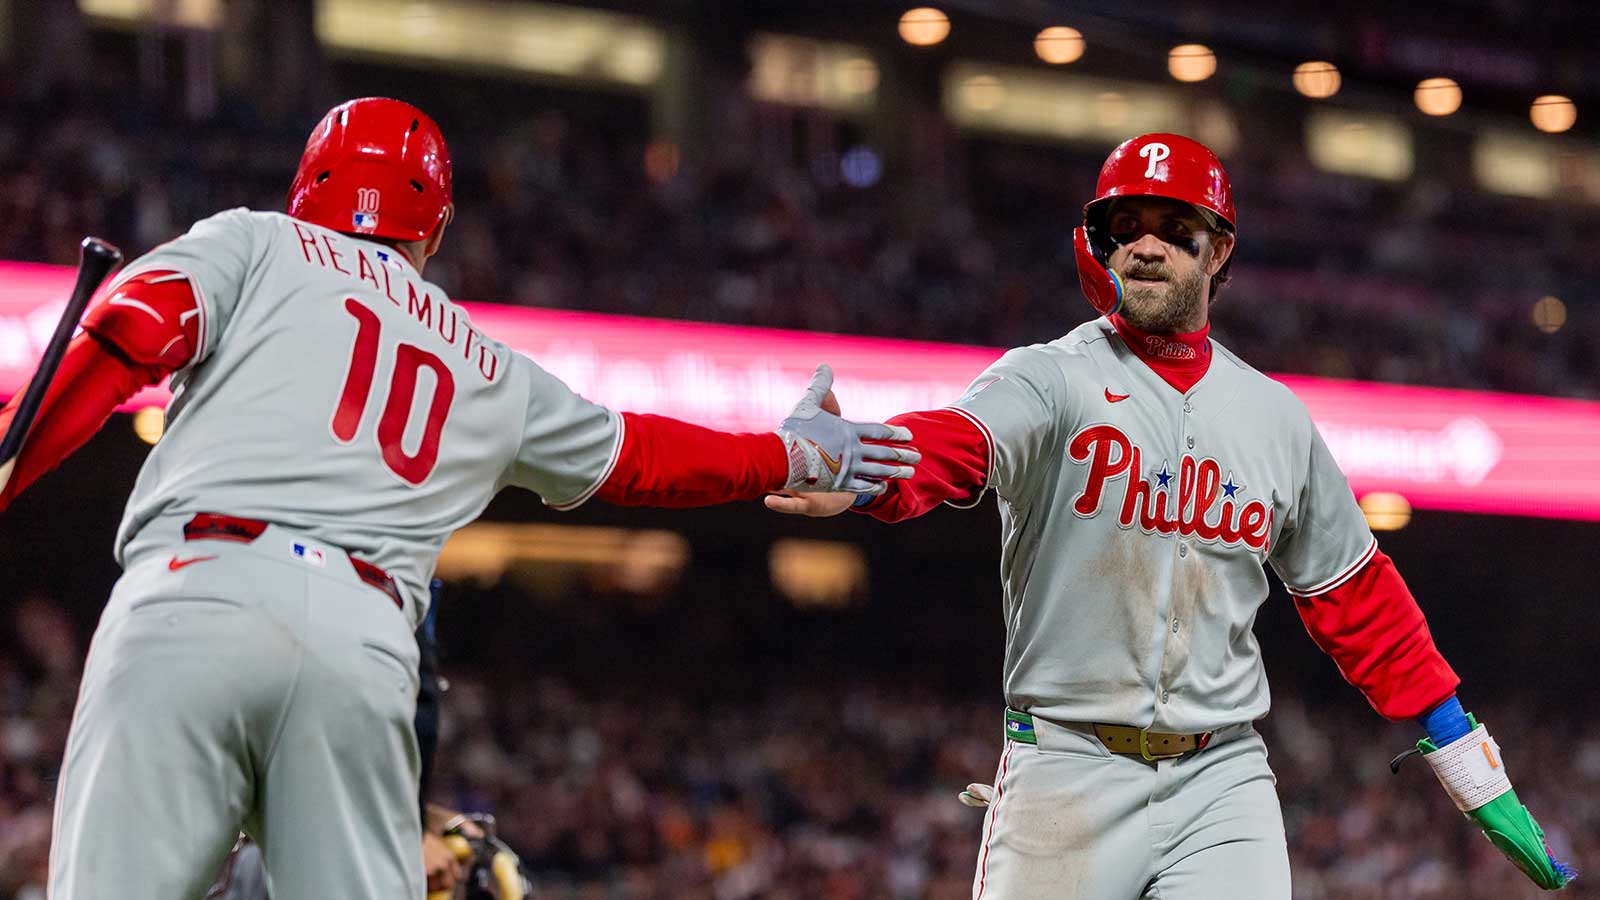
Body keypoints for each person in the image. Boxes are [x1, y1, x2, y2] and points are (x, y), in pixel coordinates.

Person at [0, 97, 918, 900]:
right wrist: (791, 454)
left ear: (307, 190)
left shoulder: (257, 239)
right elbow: (642, 455)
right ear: (434, 233)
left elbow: (133, 329)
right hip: (361, 647)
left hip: (194, 592)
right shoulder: (483, 361)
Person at [767, 133, 1572, 898]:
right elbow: (954, 445)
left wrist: (1466, 755)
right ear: (1101, 247)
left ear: (1217, 251)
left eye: (1174, 228)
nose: (1145, 246)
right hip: (1067, 768)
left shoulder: (1274, 417)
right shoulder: (1050, 379)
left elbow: (1357, 596)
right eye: (1125, 228)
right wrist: (863, 468)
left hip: (1222, 777)